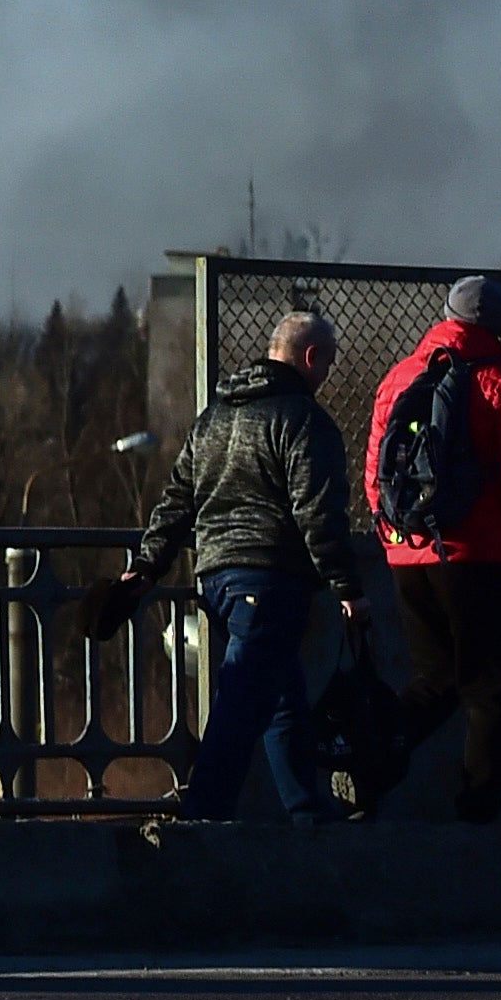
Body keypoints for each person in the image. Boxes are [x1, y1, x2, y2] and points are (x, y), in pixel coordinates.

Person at [116, 309, 379, 822]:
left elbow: (176, 502)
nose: (328, 374)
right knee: (242, 706)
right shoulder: (304, 420)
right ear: (309, 357)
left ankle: (307, 812)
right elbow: (318, 512)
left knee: (282, 698)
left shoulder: (213, 417)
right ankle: (201, 821)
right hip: (270, 578)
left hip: (215, 578)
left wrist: (146, 567)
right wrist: (348, 588)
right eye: (327, 361)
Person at [361, 274, 501, 823]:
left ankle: (370, 759)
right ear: (499, 325)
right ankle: (477, 811)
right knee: (498, 687)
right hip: (479, 555)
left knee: (438, 680)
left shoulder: (398, 377)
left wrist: (396, 538)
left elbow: (374, 473)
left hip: (408, 553)